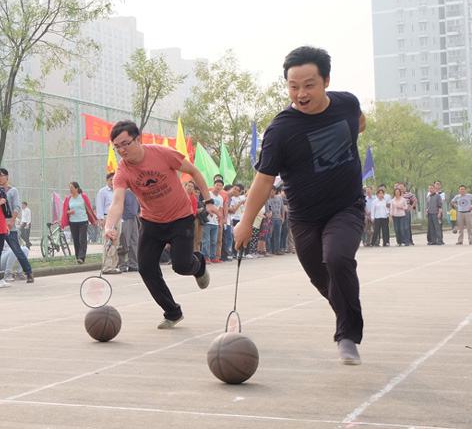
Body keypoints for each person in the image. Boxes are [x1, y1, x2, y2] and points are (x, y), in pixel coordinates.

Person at [233, 46, 367, 365]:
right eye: (293, 86)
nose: (300, 93)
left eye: (309, 85)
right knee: (324, 281)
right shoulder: (281, 130)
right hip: (305, 219)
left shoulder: (347, 103)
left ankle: (347, 335)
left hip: (346, 206)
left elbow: (360, 122)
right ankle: (347, 317)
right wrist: (246, 222)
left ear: (326, 81)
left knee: (337, 258)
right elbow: (264, 180)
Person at [103, 120, 217, 329]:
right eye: (116, 146)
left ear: (138, 139)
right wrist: (108, 227)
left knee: (181, 266)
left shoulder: (163, 153)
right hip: (152, 222)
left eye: (125, 144)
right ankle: (172, 312)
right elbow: (117, 202)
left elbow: (194, 171)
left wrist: (208, 201)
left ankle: (198, 263)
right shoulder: (123, 171)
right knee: (146, 268)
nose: (121, 150)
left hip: (180, 217)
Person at [0, 168, 34, 283]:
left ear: (7, 177)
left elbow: (17, 207)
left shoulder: (13, 191)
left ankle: (28, 272)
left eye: (1, 176)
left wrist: (11, 221)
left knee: (17, 250)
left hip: (10, 226)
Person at [60, 181, 97, 264]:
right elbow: (66, 211)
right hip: (73, 222)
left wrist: (94, 220)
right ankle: (78, 257)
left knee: (82, 239)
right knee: (76, 240)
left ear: (76, 188)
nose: (70, 189)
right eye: (69, 188)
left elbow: (89, 209)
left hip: (83, 221)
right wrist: (70, 212)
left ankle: (81, 257)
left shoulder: (83, 197)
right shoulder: (68, 199)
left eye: (72, 188)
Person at [97, 172, 121, 274]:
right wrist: (101, 219)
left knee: (116, 243)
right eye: (111, 180)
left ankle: (113, 266)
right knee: (108, 243)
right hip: (108, 218)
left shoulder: (118, 191)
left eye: (114, 180)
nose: (112, 182)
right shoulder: (103, 192)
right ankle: (107, 267)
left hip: (118, 219)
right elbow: (99, 206)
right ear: (107, 181)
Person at [201, 180, 224, 263]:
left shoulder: (221, 198)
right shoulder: (208, 194)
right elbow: (202, 203)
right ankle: (205, 257)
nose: (219, 187)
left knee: (214, 241)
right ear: (214, 185)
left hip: (215, 222)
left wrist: (220, 222)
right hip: (207, 221)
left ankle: (213, 257)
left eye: (220, 185)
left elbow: (220, 210)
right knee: (205, 241)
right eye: (217, 185)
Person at [119, 189, 141, 272]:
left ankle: (133, 264)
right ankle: (122, 265)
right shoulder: (125, 192)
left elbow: (138, 210)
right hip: (125, 219)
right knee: (124, 242)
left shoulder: (137, 192)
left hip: (134, 218)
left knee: (134, 242)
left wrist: (140, 222)